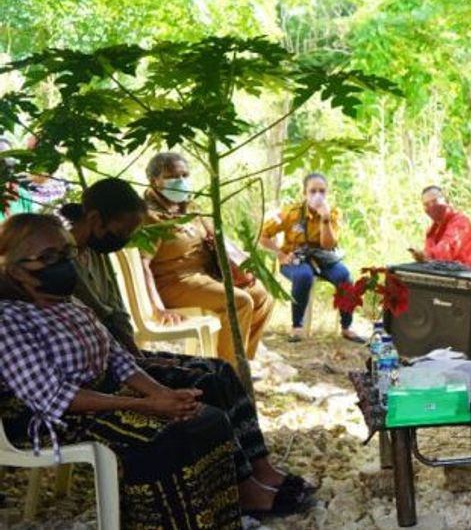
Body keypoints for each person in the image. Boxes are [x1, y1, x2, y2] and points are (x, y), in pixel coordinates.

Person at [0, 214, 290, 526]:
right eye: (47, 257)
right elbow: (54, 396)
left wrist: (165, 395)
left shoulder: (68, 305)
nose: (62, 263)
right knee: (165, 436)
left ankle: (225, 512)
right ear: (15, 269)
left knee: (203, 415)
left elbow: (117, 359)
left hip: (99, 395)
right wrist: (146, 404)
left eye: (66, 254)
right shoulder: (9, 319)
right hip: (48, 419)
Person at [63, 178, 316, 504]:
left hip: (123, 357)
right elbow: (97, 319)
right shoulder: (62, 262)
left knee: (222, 370)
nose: (125, 239)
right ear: (96, 221)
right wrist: (139, 360)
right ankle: (241, 487)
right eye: (123, 231)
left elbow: (117, 313)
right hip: (103, 368)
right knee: (205, 382)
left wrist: (137, 353)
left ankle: (260, 468)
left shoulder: (94, 253)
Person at [141, 152, 275, 365]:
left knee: (262, 296)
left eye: (185, 175)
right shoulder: (150, 216)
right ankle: (228, 372)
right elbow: (143, 264)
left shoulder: (190, 208)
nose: (181, 181)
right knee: (240, 302)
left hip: (205, 276)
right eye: (173, 176)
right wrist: (156, 306)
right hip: (175, 282)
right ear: (154, 181)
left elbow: (220, 240)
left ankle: (240, 363)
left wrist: (241, 263)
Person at [260, 172, 363, 343]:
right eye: (313, 191)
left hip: (323, 257)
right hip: (295, 258)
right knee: (303, 276)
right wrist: (280, 254)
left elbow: (328, 245)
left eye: (322, 191)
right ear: (304, 193)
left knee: (344, 276)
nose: (318, 196)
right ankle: (297, 327)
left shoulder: (332, 214)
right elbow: (263, 235)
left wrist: (325, 219)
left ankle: (347, 327)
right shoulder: (291, 213)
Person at [408, 185, 471, 269]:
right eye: (426, 205)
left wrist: (426, 255)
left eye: (435, 201)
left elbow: (447, 249)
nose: (431, 207)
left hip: (470, 275)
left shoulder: (460, 222)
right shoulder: (431, 231)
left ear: (446, 201)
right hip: (447, 275)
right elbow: (430, 261)